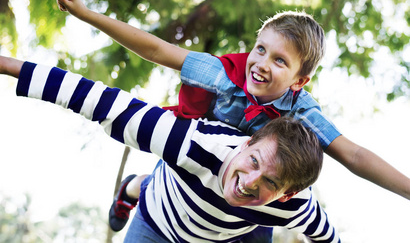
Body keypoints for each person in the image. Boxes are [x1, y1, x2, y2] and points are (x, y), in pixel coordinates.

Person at [54, 0, 410, 242]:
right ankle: (133, 186)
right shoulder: (220, 73)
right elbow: (157, 49)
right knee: (165, 183)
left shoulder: (301, 111)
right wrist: (86, 14)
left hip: (249, 188)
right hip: (195, 162)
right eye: (261, 49)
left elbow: (355, 154)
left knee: (257, 220)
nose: (262, 64)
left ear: (300, 80)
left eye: (280, 61)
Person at [0, 55, 340, 242]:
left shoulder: (295, 206)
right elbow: (99, 100)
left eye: (270, 182)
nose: (251, 181)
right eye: (253, 161)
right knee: (158, 181)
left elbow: (328, 238)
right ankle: (134, 186)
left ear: (286, 194)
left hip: (230, 234)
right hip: (159, 221)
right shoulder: (192, 143)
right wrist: (7, 66)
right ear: (246, 143)